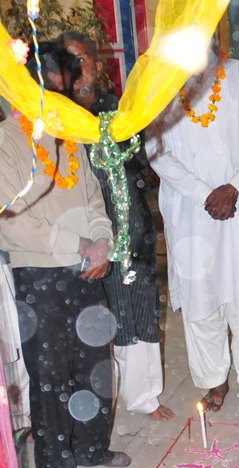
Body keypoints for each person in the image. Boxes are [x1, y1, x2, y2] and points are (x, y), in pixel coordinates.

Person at [0, 40, 129, 468]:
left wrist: (102, 243)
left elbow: (94, 198)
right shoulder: (7, 140)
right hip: (40, 275)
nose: (59, 95)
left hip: (86, 268)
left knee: (94, 365)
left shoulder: (69, 132)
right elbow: (10, 218)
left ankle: (92, 446)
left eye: (62, 86)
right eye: (49, 86)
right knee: (51, 377)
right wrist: (79, 245)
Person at [146, 45, 239, 414]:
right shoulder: (160, 84)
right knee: (200, 297)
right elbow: (156, 151)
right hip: (190, 209)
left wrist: (233, 186)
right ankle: (214, 380)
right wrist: (206, 193)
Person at [61, 32, 174, 421]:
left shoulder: (121, 111)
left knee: (140, 307)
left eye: (83, 58)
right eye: (69, 61)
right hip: (87, 236)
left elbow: (143, 163)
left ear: (98, 64)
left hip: (133, 224)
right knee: (101, 317)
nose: (78, 68)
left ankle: (144, 396)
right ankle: (100, 400)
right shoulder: (59, 118)